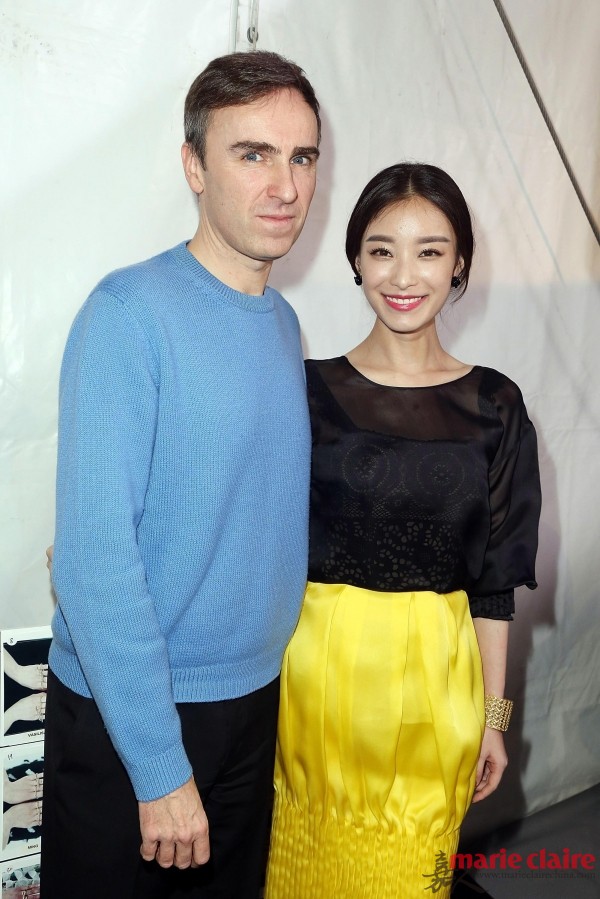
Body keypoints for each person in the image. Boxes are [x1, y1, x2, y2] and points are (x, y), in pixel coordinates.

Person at [42, 51, 320, 899]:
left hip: (251, 705)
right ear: (194, 166)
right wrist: (160, 765)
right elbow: (94, 563)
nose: (285, 186)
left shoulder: (284, 323)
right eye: (253, 154)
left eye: (302, 156)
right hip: (137, 718)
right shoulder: (127, 315)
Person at [264, 163, 541, 899]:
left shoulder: (496, 405)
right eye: (382, 249)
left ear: (460, 264)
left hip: (435, 696)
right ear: (355, 259)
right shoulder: (304, 389)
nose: (404, 274)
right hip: (314, 688)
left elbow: (495, 585)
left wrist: (494, 719)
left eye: (430, 250)